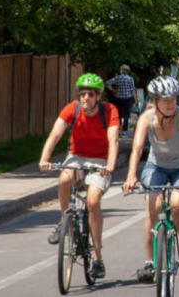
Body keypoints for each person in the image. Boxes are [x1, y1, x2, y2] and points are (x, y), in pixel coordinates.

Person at [122, 76, 179, 283]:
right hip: (156, 165)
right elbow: (137, 148)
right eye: (165, 100)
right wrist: (131, 175)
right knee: (153, 206)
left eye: (173, 99)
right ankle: (150, 262)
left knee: (177, 204)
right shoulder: (146, 118)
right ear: (156, 101)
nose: (170, 104)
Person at [40, 73, 120, 279]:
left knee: (92, 201)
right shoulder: (72, 109)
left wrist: (111, 164)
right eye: (82, 94)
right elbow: (55, 134)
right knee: (65, 179)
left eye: (90, 94)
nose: (86, 98)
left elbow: (113, 140)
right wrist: (45, 158)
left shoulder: (110, 111)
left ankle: (97, 258)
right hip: (76, 156)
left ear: (98, 97)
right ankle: (64, 222)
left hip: (101, 160)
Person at [106, 64, 137, 136]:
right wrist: (135, 100)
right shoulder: (130, 79)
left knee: (118, 114)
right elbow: (133, 90)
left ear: (121, 71)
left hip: (118, 98)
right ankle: (125, 131)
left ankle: (119, 130)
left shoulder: (117, 78)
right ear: (128, 71)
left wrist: (113, 90)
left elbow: (107, 83)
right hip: (128, 98)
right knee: (126, 115)